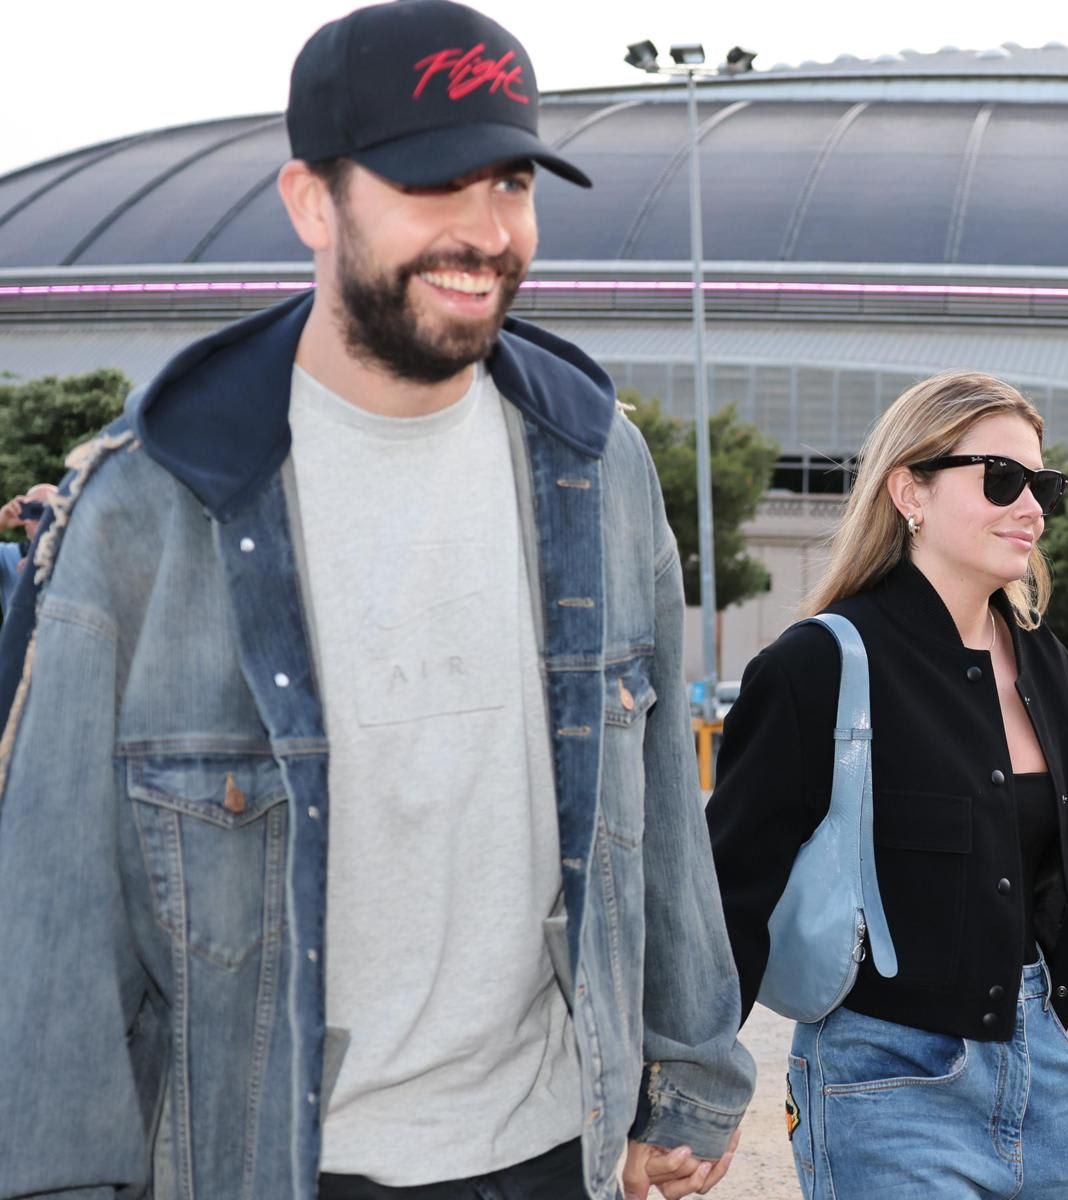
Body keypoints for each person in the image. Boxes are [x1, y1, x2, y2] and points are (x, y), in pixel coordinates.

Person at [0, 4, 754, 1199]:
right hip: (278, 1162)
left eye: (511, 182)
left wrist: (689, 1068)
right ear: (311, 202)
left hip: (552, 1150)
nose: (485, 231)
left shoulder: (594, 459)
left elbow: (657, 791)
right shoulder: (149, 508)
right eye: (430, 183)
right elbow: (52, 925)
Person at [707, 371, 1068, 1199]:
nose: (1031, 506)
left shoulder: (1047, 665)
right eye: (1002, 478)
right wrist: (694, 1089)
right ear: (908, 490)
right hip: (886, 1089)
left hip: (1048, 1086)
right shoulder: (815, 666)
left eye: (1044, 484)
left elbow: (1057, 868)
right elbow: (726, 899)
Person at [0, 483, 55, 610]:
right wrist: (2, 520)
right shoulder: (9, 555)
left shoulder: (77, 556)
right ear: (23, 514)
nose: (43, 516)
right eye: (34, 509)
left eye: (50, 509)